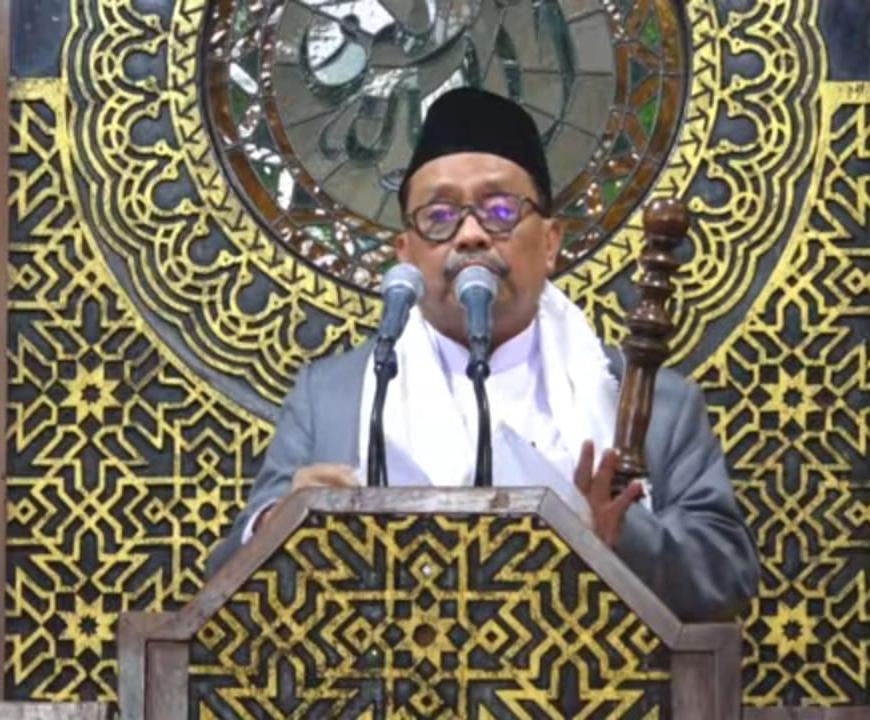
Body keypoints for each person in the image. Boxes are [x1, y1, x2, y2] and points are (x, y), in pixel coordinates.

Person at [208, 88, 759, 621]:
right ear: (406, 253)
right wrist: (277, 526)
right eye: (439, 216)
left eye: (499, 210)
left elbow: (728, 578)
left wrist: (620, 537)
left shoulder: (648, 403)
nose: (470, 235)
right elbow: (223, 585)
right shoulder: (332, 397)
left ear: (550, 241)